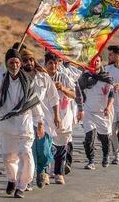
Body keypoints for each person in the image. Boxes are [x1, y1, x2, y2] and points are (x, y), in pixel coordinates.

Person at [0, 48, 43, 198]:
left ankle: (21, 186)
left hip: (24, 124)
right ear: (6, 63)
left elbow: (34, 103)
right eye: (11, 62)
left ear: (20, 64)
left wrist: (40, 121)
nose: (14, 65)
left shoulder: (28, 82)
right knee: (8, 157)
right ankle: (11, 179)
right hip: (6, 125)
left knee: (26, 154)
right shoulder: (0, 81)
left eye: (17, 62)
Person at [20, 49, 61, 189]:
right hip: (25, 119)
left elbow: (54, 97)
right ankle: (29, 178)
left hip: (44, 119)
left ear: (34, 61)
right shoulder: (18, 78)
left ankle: (41, 170)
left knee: (43, 150)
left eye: (31, 60)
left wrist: (57, 116)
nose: (28, 63)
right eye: (25, 60)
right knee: (29, 151)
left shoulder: (43, 77)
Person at [77, 55, 114, 169]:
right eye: (93, 61)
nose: (95, 63)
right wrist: (80, 108)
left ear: (101, 62)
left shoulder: (107, 77)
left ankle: (105, 156)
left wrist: (108, 107)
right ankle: (91, 160)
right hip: (89, 111)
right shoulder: (85, 77)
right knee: (89, 137)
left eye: (97, 61)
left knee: (104, 138)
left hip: (103, 113)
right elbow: (78, 92)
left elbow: (112, 94)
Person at [45, 52, 76, 184]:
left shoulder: (64, 77)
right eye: (50, 63)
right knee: (45, 145)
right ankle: (45, 173)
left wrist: (63, 88)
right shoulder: (42, 78)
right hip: (46, 116)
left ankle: (58, 173)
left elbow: (74, 94)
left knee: (61, 146)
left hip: (63, 116)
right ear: (45, 64)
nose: (53, 65)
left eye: (55, 63)